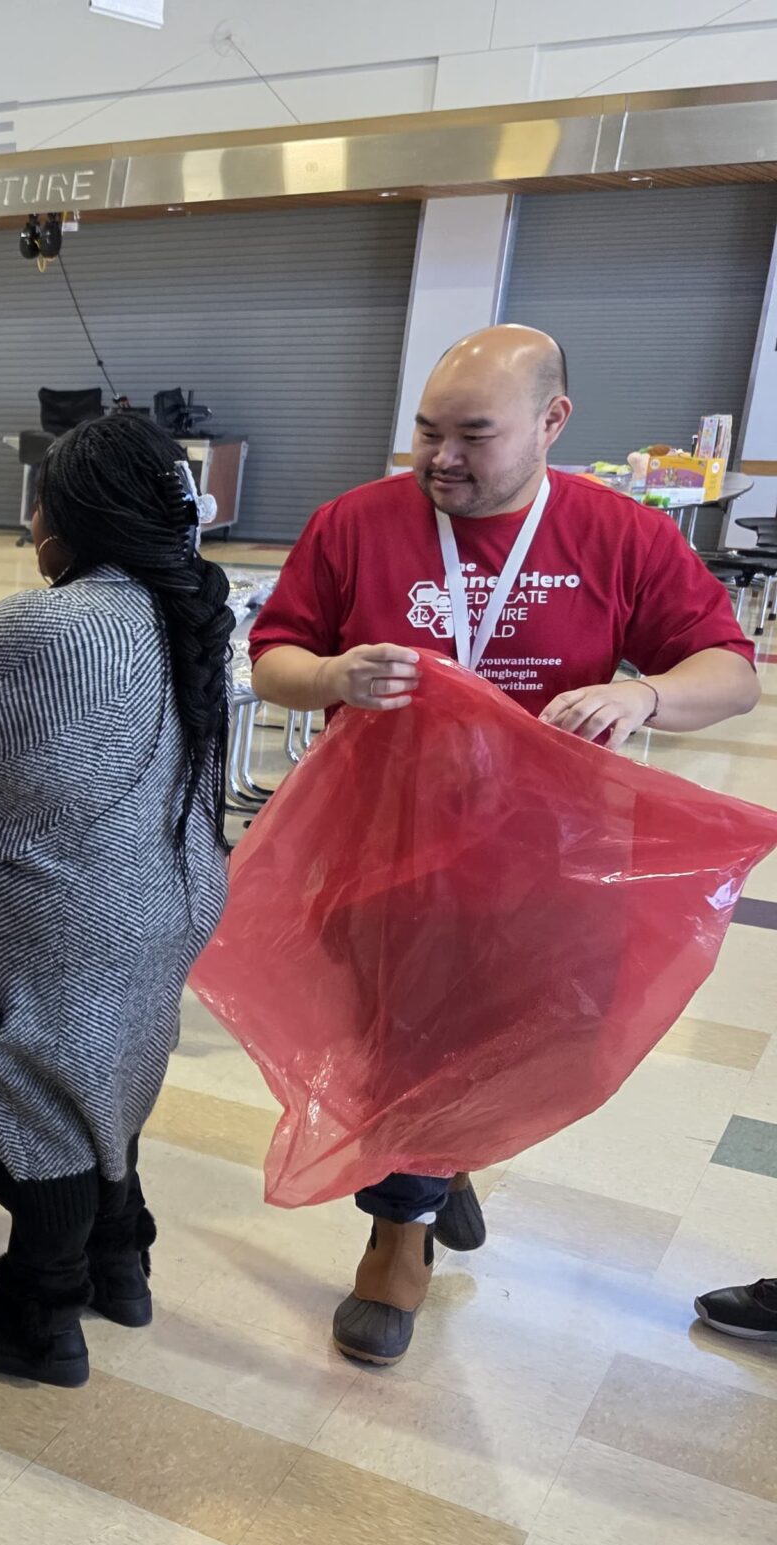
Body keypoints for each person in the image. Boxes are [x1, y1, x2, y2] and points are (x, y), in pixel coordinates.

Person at [251, 324, 759, 1366]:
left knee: (508, 1034)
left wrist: (644, 694)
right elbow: (275, 657)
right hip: (383, 844)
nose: (440, 459)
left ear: (552, 421)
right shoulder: (354, 524)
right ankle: (397, 1245)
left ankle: (444, 1160)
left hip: (545, 857)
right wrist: (333, 677)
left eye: (473, 436)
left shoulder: (619, 535)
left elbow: (731, 671)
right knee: (396, 1040)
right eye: (426, 432)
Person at [0, 413, 234, 1388]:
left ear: (70, 517)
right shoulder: (186, 609)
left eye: (39, 503)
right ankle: (118, 1263)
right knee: (109, 1074)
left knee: (30, 1094)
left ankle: (39, 1317)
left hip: (63, 907)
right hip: (163, 890)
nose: (31, 523)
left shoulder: (47, 624)